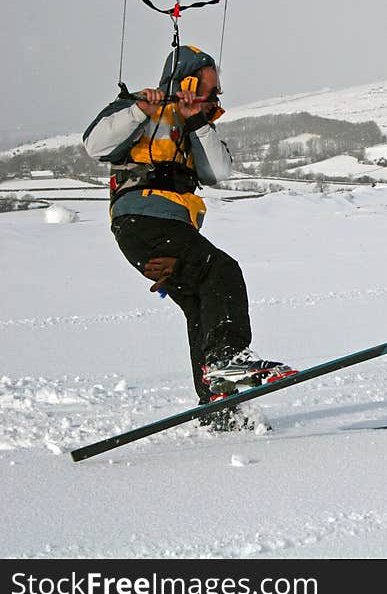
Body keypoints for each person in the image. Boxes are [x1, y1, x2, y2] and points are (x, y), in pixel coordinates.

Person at [83, 45, 295, 431]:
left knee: (201, 302)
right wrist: (138, 110)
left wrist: (197, 121)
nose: (216, 97)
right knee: (221, 269)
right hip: (142, 220)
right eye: (212, 88)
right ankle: (226, 360)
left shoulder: (198, 123)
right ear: (189, 81)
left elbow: (219, 172)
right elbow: (94, 145)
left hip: (169, 228)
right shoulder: (139, 109)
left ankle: (219, 408)